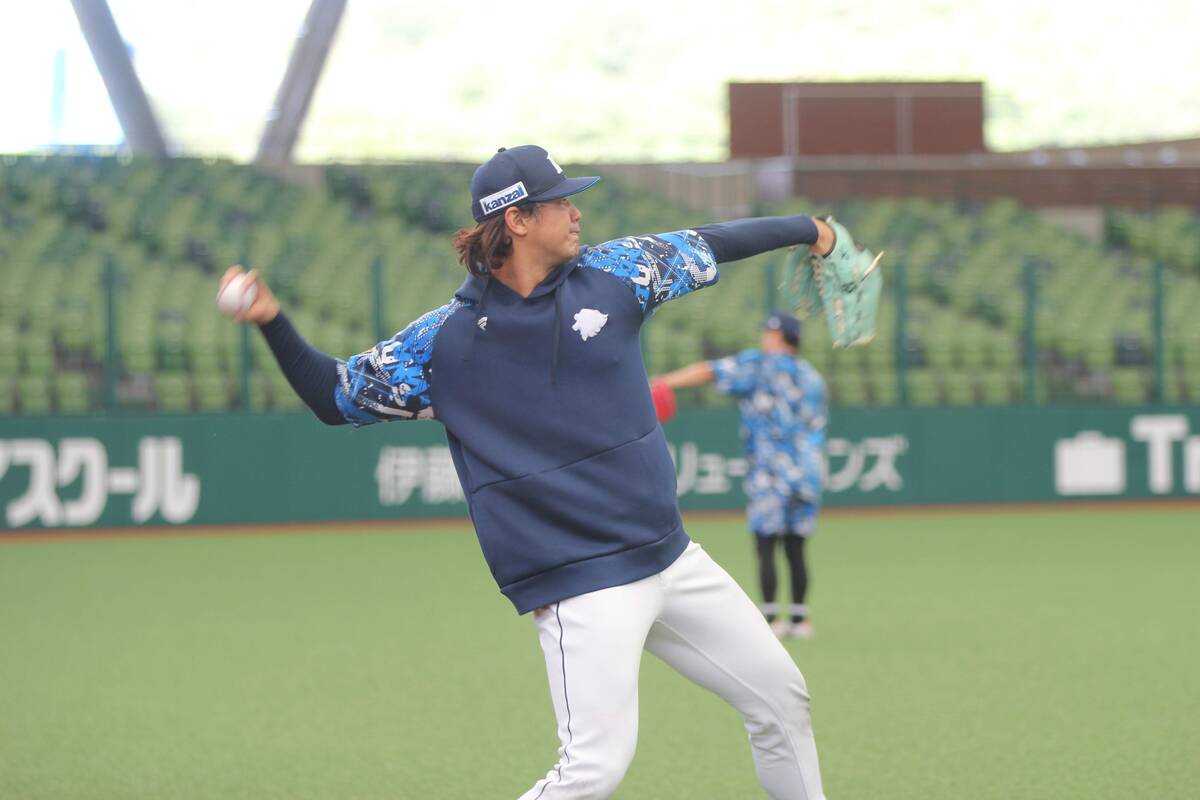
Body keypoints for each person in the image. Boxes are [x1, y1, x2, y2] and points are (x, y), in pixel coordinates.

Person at [220, 145, 859, 799]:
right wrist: (271, 320)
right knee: (594, 767)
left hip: (672, 558)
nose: (575, 213)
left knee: (783, 700)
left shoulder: (617, 272)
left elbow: (713, 241)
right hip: (582, 584)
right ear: (517, 221)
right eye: (559, 201)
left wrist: (811, 228)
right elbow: (335, 396)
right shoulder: (443, 344)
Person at [653, 312, 827, 640]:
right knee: (796, 547)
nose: (765, 337)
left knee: (765, 544)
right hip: (807, 472)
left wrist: (667, 382)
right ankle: (802, 620)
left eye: (768, 333)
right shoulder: (812, 377)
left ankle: (773, 617)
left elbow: (710, 371)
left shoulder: (762, 364)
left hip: (771, 472)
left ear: (778, 337)